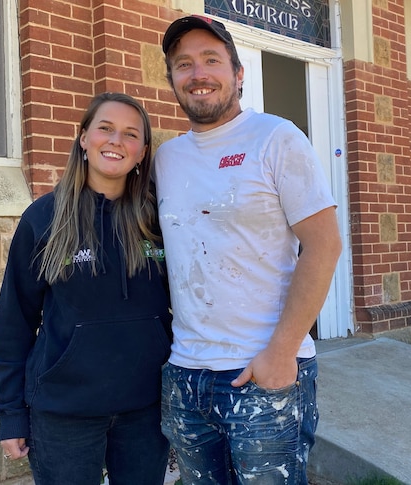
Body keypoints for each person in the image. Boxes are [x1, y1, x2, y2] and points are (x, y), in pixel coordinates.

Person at [155, 15, 343, 484]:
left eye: (211, 60)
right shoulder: (166, 158)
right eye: (184, 64)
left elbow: (324, 246)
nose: (198, 74)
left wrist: (281, 352)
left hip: (263, 372)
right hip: (186, 375)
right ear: (172, 80)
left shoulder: (276, 139)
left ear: (239, 75)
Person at [0, 92, 172, 485]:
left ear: (142, 152)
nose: (116, 141)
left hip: (147, 409)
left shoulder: (160, 219)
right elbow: (13, 323)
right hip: (63, 412)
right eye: (105, 128)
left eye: (130, 134)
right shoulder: (44, 218)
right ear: (84, 138)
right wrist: (11, 413)